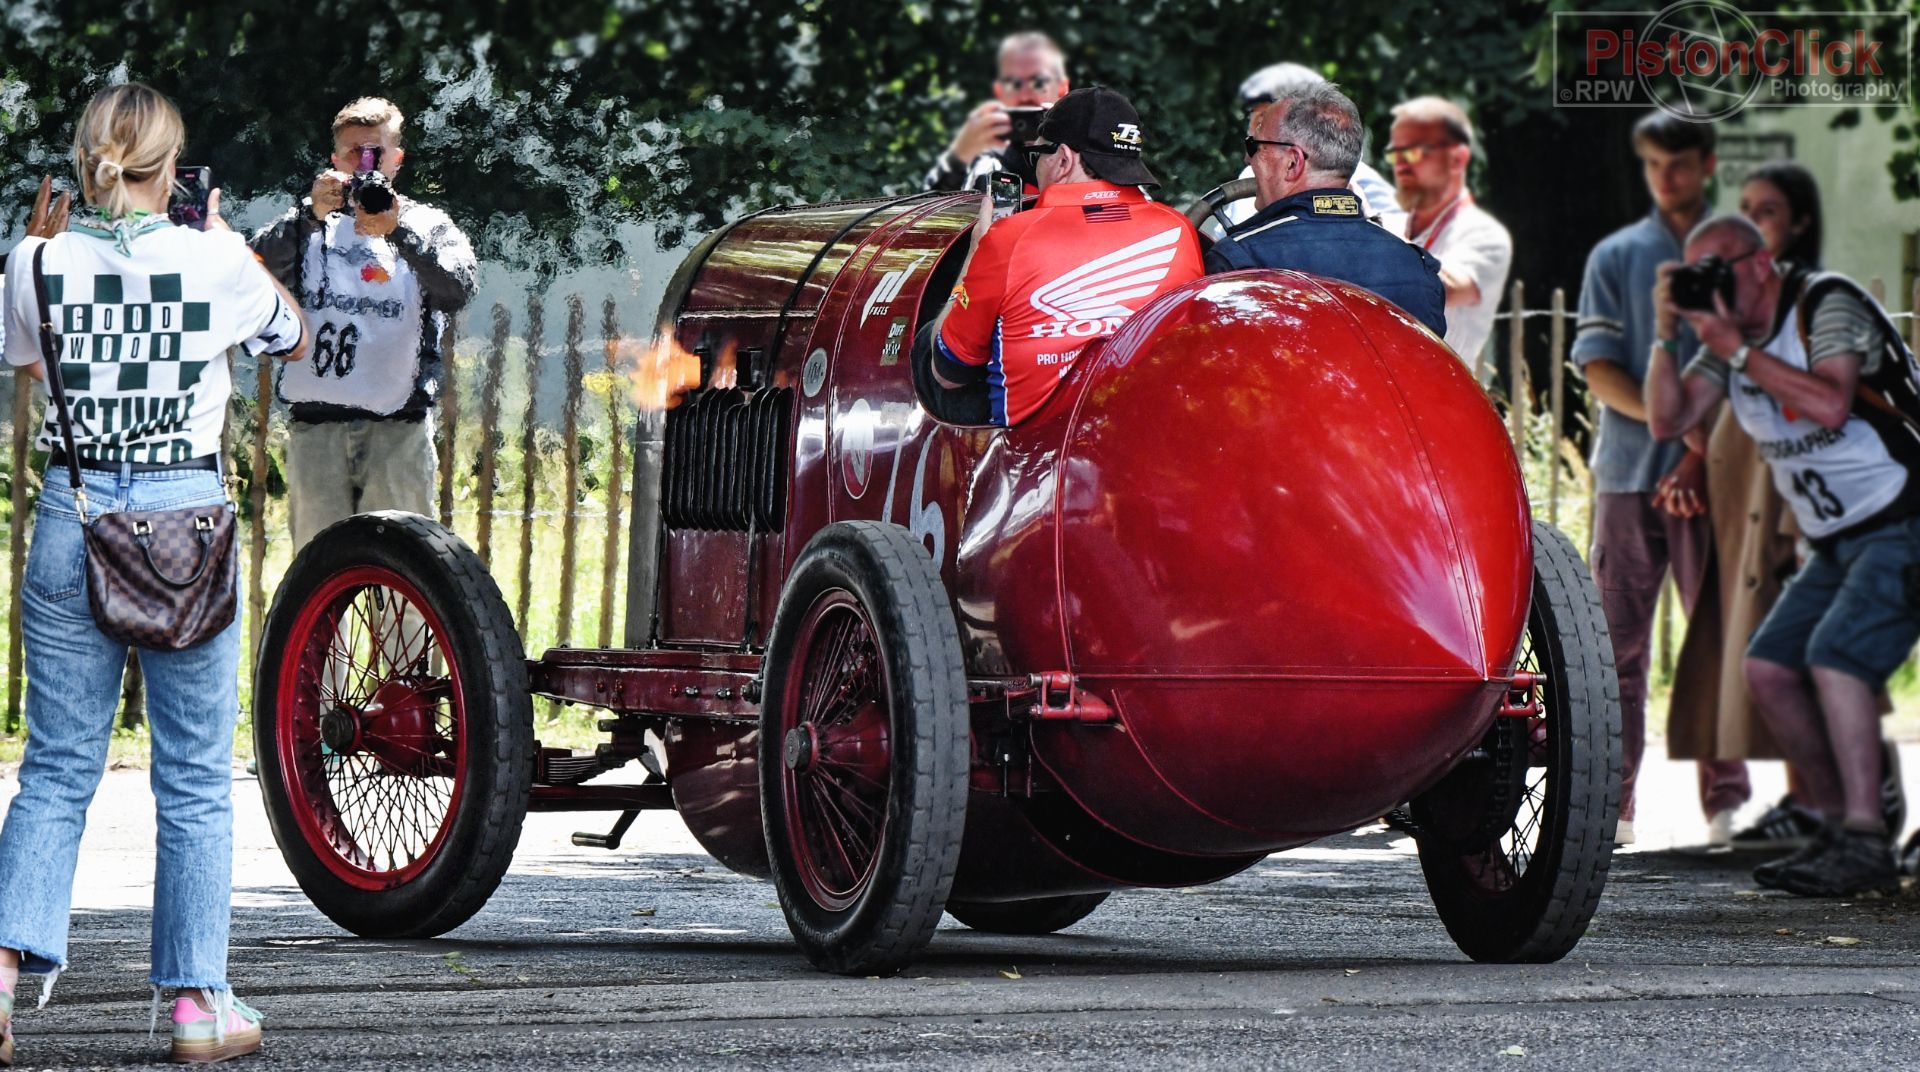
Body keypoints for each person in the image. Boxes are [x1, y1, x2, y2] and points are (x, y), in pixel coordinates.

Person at [0, 83, 308, 1065]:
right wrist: (227, 243)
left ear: (89, 158)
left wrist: (45, 256)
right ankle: (193, 1006)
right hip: (185, 531)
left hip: (72, 514)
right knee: (192, 777)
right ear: (172, 168)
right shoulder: (215, 258)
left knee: (54, 764)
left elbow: (27, 360)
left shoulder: (34, 261)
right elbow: (289, 333)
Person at [1645, 214, 1919, 895]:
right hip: (1838, 534)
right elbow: (1668, 419)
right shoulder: (1724, 336)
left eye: (1721, 267)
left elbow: (1830, 401)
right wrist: (1666, 334)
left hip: (1904, 513)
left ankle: (1863, 837)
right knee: (1769, 668)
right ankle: (1839, 829)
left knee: (1838, 659)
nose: (1710, 282)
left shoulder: (1825, 304)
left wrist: (1737, 351)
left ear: (1761, 262)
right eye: (1696, 269)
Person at [1570, 111, 1751, 848]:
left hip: (1720, 473)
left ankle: (1728, 805)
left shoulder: (1745, 257)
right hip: (1627, 476)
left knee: (1718, 644)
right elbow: (1598, 367)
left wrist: (1699, 453)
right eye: (1651, 165)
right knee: (1615, 648)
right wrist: (1675, 429)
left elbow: (1751, 368)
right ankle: (1613, 808)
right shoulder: (1616, 255)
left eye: (1677, 164)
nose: (1664, 178)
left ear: (1706, 164)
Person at [250, 96, 476, 551]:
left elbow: (456, 290)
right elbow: (252, 273)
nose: (364, 162)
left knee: (406, 572)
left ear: (397, 159)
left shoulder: (427, 224)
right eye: (354, 153)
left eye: (375, 152)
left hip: (399, 428)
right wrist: (308, 215)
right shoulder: (309, 223)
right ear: (334, 160)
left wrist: (399, 231)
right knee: (317, 574)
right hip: (316, 429)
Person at [926, 87, 1204, 425]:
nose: (1036, 165)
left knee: (927, 343)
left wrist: (975, 252)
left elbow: (949, 371)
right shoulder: (1179, 230)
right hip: (1143, 427)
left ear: (1063, 159)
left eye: (1039, 154)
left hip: (1037, 455)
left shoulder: (1009, 238)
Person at [1206, 82, 1445, 337]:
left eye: (1255, 146)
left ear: (1293, 163)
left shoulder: (1239, 264)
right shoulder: (1417, 270)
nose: (1248, 158)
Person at [1387, 96, 1512, 364]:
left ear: (1457, 159)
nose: (1401, 164)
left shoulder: (1485, 234)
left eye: (1415, 151)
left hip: (1441, 399)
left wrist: (1369, 237)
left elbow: (1440, 288)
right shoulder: (1392, 224)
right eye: (1395, 153)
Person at [1219, 63, 1403, 233]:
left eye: (1263, 120)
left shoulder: (1257, 174)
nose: (1253, 133)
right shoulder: (1357, 177)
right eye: (1255, 120)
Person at [923, 32, 1070, 193]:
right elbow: (926, 211)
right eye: (1013, 84)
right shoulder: (985, 159)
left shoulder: (1087, 151)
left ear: (1062, 88)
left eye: (1039, 83)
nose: (1025, 96)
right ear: (999, 92)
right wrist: (960, 156)